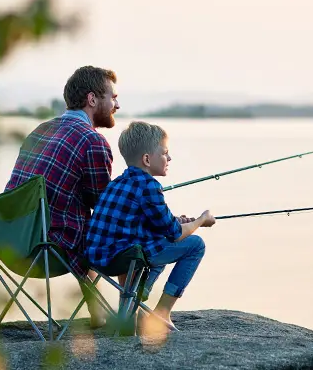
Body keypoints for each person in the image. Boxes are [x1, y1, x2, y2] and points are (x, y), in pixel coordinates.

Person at [4, 65, 119, 327]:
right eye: (112, 97)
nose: (117, 104)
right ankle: (128, 314)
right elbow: (103, 208)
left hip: (10, 241)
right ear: (92, 99)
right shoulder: (92, 141)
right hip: (48, 251)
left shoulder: (40, 130)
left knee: (72, 219)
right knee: (116, 224)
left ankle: (97, 313)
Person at [86, 120, 216, 330]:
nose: (169, 158)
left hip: (98, 259)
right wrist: (201, 220)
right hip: (125, 258)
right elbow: (174, 234)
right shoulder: (149, 186)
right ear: (147, 159)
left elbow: (145, 221)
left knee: (158, 240)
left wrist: (178, 221)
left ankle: (131, 306)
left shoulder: (116, 183)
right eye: (165, 153)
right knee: (195, 245)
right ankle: (161, 312)